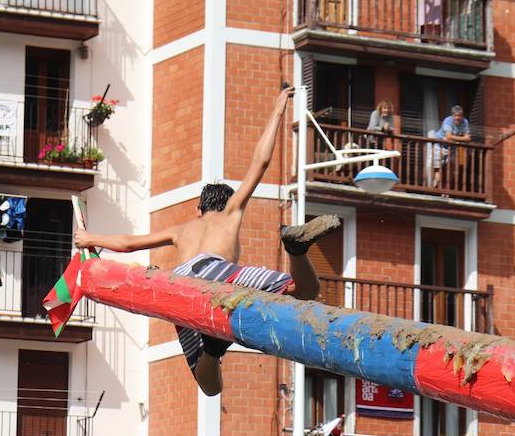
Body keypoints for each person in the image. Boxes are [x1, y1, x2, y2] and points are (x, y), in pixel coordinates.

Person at [74, 86, 343, 396]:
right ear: (226, 203)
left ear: (197, 209)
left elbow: (129, 242)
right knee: (305, 290)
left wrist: (90, 237)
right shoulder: (230, 212)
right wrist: (278, 109)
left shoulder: (181, 229)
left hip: (182, 284)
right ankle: (296, 250)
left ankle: (213, 349)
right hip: (220, 274)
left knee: (209, 385)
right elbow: (260, 163)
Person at [428, 105, 471, 188]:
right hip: (440, 145)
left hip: (452, 147)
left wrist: (455, 138)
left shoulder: (465, 122)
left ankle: (445, 188)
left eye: (459, 116)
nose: (457, 118)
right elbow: (448, 136)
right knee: (437, 168)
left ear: (462, 116)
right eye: (455, 116)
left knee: (452, 168)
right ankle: (435, 185)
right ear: (452, 116)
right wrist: (463, 138)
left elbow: (468, 138)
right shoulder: (448, 121)